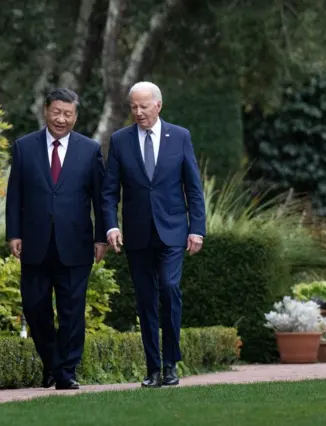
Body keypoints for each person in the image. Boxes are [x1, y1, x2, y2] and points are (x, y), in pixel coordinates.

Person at [101, 81, 206, 388]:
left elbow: (194, 188)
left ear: (158, 105)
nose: (138, 112)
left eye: (144, 106)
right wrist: (111, 225)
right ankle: (153, 369)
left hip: (173, 230)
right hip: (137, 234)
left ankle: (171, 363)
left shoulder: (180, 137)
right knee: (146, 300)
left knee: (170, 289)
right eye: (133, 107)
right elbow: (109, 192)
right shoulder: (120, 140)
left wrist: (197, 229)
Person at [5, 88, 107, 390]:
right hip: (35, 243)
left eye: (68, 114)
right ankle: (52, 363)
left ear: (75, 116)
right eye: (56, 112)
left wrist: (101, 236)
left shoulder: (89, 150)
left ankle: (66, 372)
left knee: (72, 311)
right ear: (46, 110)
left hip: (76, 244)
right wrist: (14, 233)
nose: (61, 119)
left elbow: (101, 198)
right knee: (35, 307)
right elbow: (15, 195)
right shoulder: (24, 147)